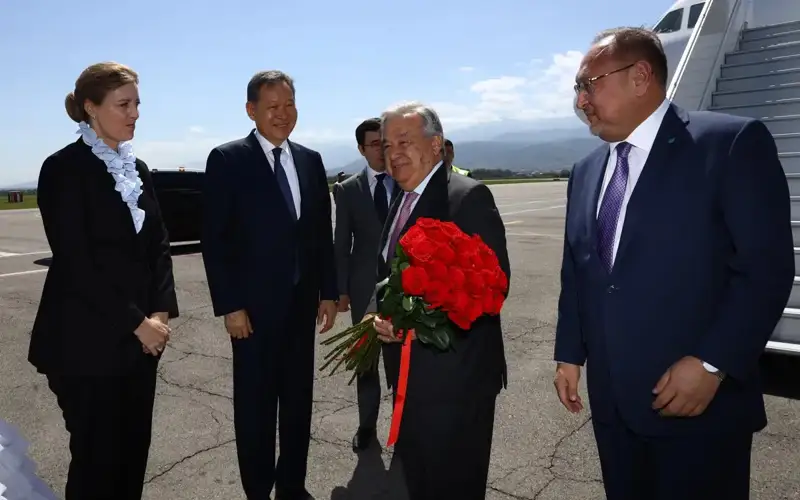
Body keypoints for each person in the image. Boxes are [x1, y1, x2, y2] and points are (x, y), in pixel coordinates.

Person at [553, 27, 794, 500]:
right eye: (577, 89)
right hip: (614, 407)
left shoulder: (729, 144)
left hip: (698, 407)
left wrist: (712, 363)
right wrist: (569, 353)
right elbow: (578, 272)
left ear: (640, 76)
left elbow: (765, 269)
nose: (581, 101)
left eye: (589, 84)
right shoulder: (585, 172)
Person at [29, 61, 179, 500]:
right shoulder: (63, 169)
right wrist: (137, 322)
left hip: (141, 343)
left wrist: (160, 312)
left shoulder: (138, 169)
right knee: (96, 464)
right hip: (84, 344)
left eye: (137, 104)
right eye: (124, 104)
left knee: (132, 458)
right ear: (91, 107)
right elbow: (76, 262)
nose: (135, 114)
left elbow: (159, 246)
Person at [201, 69, 337, 500]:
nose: (283, 114)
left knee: (298, 403)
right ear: (251, 110)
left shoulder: (310, 161)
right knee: (255, 408)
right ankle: (258, 490)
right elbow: (216, 241)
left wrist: (329, 292)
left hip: (301, 306)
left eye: (289, 105)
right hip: (253, 313)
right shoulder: (228, 160)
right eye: (273, 106)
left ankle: (292, 486)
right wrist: (231, 305)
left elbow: (321, 233)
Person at [366, 102, 510, 499]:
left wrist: (409, 320)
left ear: (435, 146)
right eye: (387, 144)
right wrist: (379, 314)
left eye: (404, 141)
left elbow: (493, 287)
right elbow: (389, 275)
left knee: (454, 485)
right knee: (420, 482)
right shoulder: (402, 197)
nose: (393, 153)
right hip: (410, 379)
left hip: (456, 381)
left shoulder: (466, 198)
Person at [332, 117, 399, 452]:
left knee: (401, 362)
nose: (381, 151)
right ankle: (367, 426)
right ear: (361, 149)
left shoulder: (405, 181)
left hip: (404, 287)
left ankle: (404, 429)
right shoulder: (348, 190)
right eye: (374, 145)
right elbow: (341, 243)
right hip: (364, 291)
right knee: (367, 363)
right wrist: (341, 290)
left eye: (385, 143)